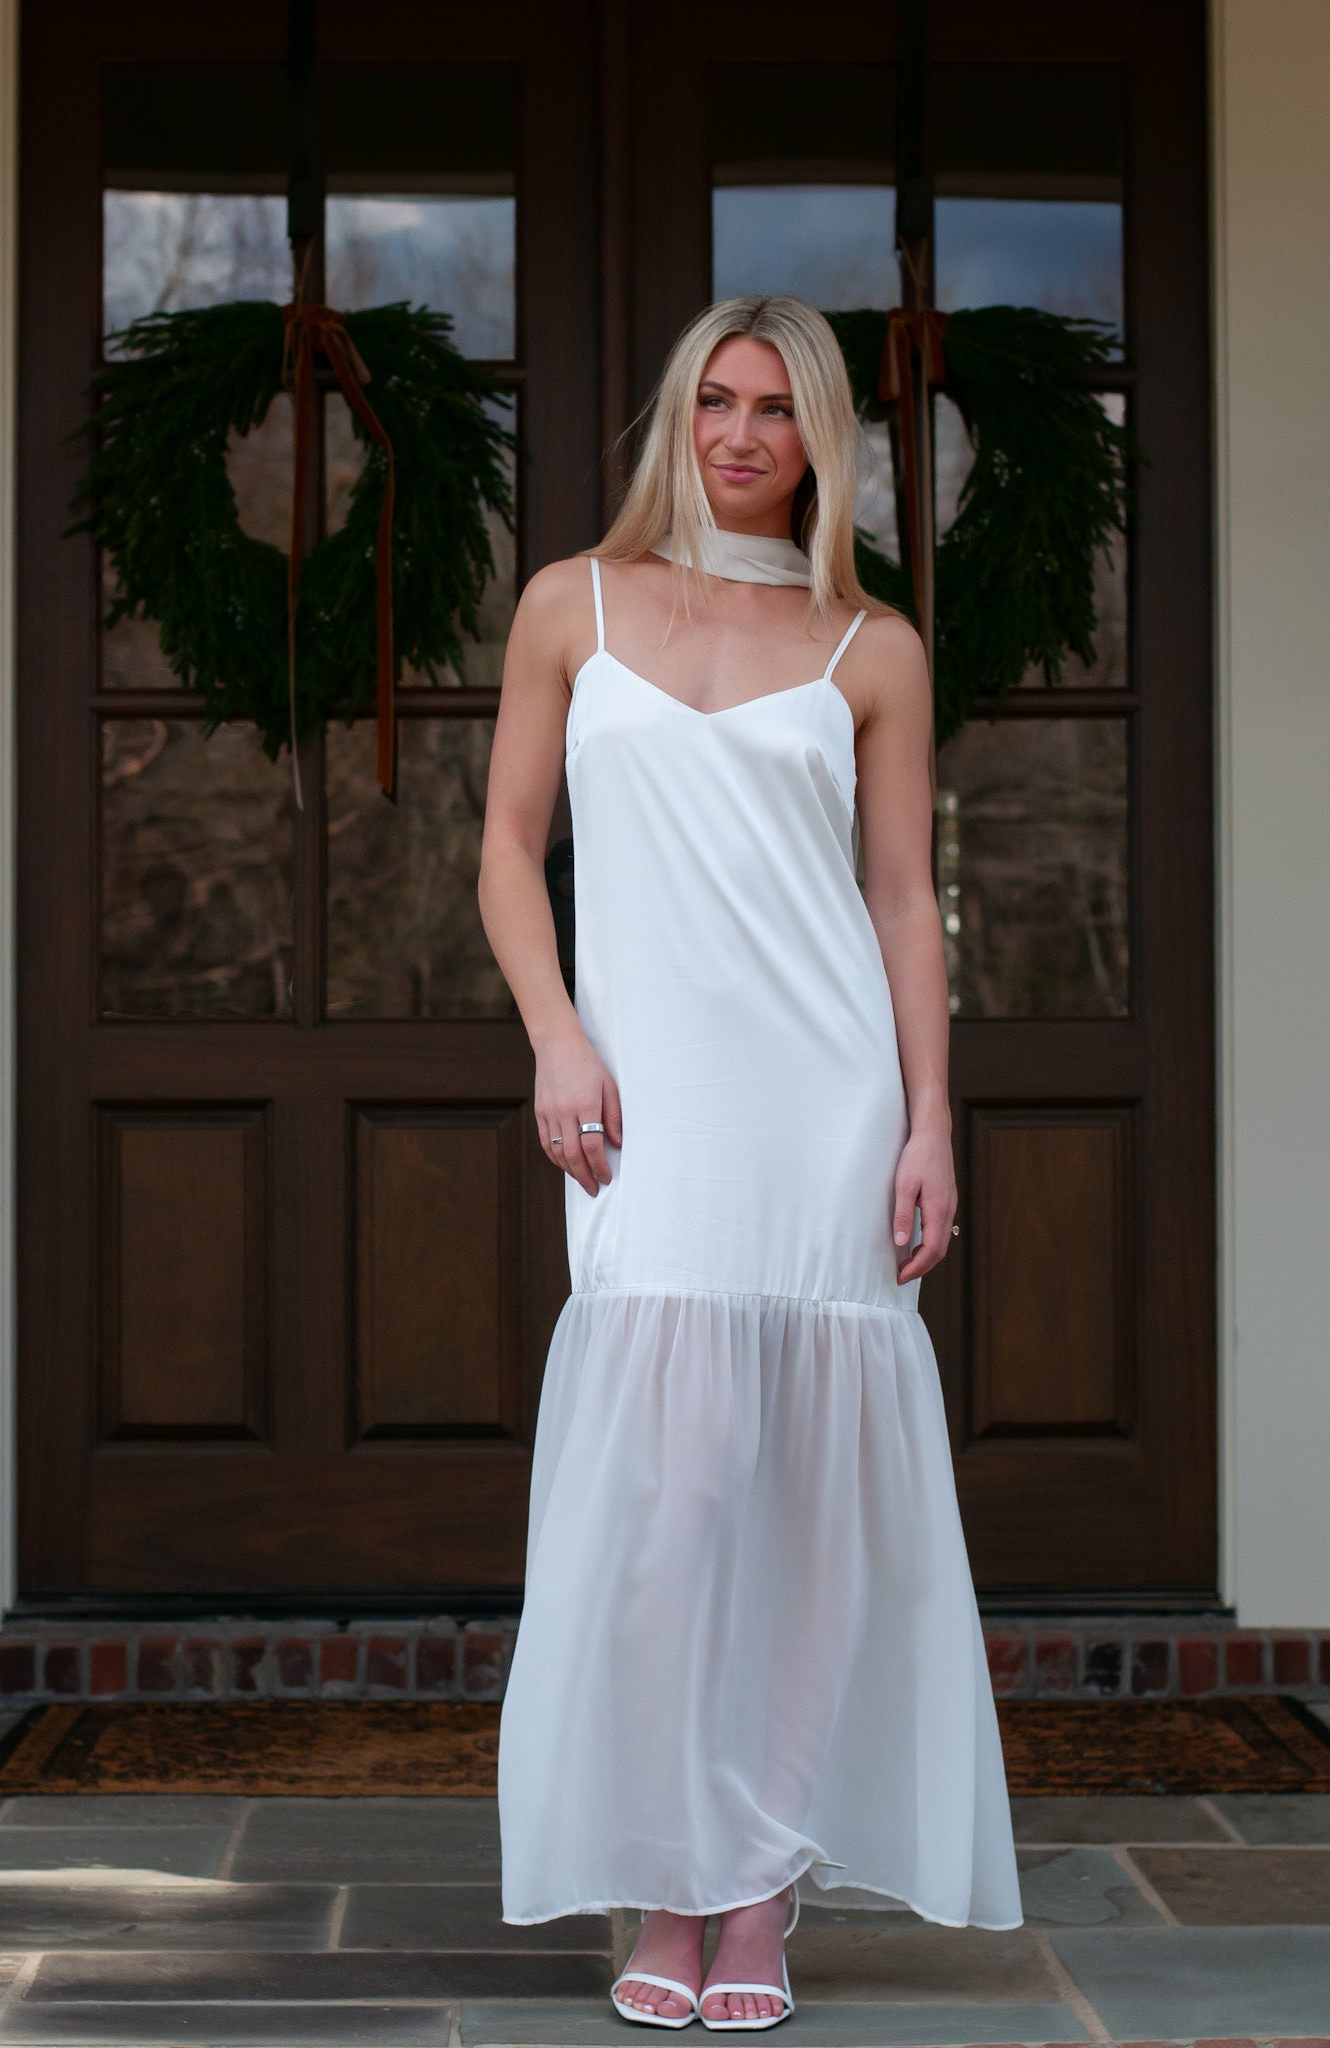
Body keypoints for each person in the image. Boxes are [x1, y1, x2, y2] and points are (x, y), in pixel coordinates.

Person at [477, 292, 1022, 2031]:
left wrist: (929, 1116)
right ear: (676, 416)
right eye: (714, 400)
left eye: (776, 409)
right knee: (673, 1503)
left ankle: (762, 1891)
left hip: (824, 1101)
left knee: (810, 1521)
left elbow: (895, 902)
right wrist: (559, 1033)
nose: (739, 435)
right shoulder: (571, 604)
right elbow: (504, 847)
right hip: (652, 1106)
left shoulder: (873, 646)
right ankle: (666, 1872)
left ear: (821, 438)